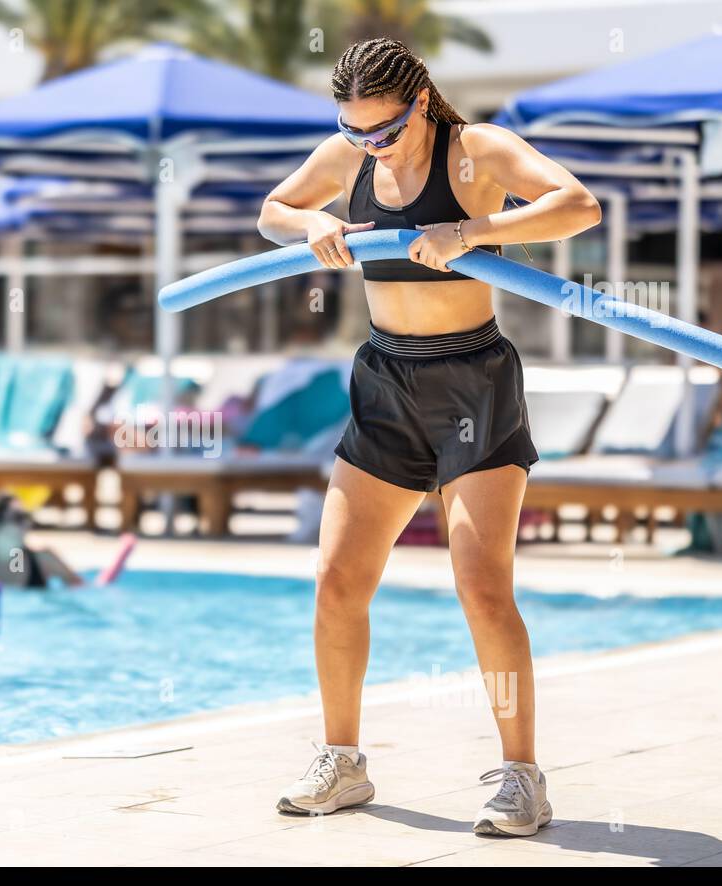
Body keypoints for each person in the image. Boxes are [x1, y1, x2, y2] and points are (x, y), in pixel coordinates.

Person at [257, 37, 602, 836]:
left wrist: (474, 231)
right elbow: (273, 210)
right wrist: (311, 222)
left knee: (482, 585)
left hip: (472, 381)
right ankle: (342, 761)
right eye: (355, 131)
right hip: (386, 382)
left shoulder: (476, 151)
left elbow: (578, 206)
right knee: (337, 578)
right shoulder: (348, 156)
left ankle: (523, 776)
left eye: (382, 130)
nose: (368, 145)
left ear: (419, 101)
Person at [0, 493, 84, 589]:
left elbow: (80, 592)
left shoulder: (43, 559)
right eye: (18, 518)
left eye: (27, 517)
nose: (26, 525)